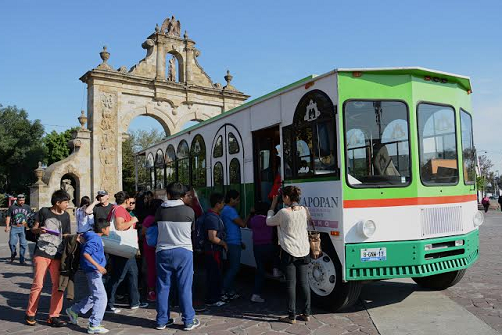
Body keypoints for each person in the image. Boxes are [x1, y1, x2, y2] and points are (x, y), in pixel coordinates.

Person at [154, 182, 200, 331]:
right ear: (182, 196)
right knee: (184, 287)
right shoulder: (189, 211)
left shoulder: (160, 210)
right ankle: (188, 320)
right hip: (184, 251)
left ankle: (162, 320)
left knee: (163, 287)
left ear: (168, 194)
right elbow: (192, 232)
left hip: (163, 251)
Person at [25, 190, 72, 327]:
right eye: (66, 202)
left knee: (58, 286)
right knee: (38, 284)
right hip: (42, 252)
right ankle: (30, 313)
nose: (68, 204)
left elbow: (66, 235)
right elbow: (34, 229)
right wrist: (40, 230)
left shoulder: (66, 216)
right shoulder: (44, 211)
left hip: (58, 254)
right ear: (58, 202)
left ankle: (54, 316)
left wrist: (74, 238)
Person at [266, 186, 311, 324]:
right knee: (304, 283)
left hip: (289, 251)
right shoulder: (305, 210)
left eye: (282, 197)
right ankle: (307, 313)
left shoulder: (283, 212)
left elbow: (268, 221)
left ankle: (291, 316)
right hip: (304, 250)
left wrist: (272, 205)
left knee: (291, 285)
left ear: (286, 197)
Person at [66, 218, 111, 334]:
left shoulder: (90, 234)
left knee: (94, 295)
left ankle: (73, 310)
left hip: (91, 270)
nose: (110, 230)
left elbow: (81, 235)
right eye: (109, 227)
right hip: (93, 271)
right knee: (101, 298)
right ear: (103, 229)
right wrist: (98, 266)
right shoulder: (95, 239)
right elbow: (86, 253)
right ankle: (94, 324)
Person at [105, 191, 147, 313]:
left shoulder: (116, 209)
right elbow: (119, 226)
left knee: (133, 273)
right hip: (121, 247)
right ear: (127, 200)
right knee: (118, 276)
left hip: (125, 247)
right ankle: (108, 303)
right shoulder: (119, 210)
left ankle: (135, 301)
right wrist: (133, 220)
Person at [248, 201, 280, 303]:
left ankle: (256, 294)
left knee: (260, 271)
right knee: (276, 254)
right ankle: (276, 269)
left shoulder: (253, 220)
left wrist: (252, 213)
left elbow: (248, 225)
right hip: (268, 245)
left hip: (257, 247)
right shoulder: (267, 220)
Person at [221, 189, 250, 300]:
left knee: (231, 267)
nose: (238, 202)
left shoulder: (225, 210)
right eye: (237, 199)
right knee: (234, 268)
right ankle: (224, 290)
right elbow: (242, 224)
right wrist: (250, 214)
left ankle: (229, 291)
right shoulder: (230, 210)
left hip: (231, 241)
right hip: (233, 242)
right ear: (231, 199)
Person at [203, 193, 227, 307]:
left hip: (212, 250)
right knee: (214, 274)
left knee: (214, 274)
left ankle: (213, 296)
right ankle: (212, 298)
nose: (223, 205)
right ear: (218, 204)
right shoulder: (212, 217)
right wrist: (224, 244)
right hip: (213, 251)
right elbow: (212, 237)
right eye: (222, 203)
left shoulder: (212, 215)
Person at [141, 199, 163, 302]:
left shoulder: (148, 219)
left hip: (149, 246)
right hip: (160, 245)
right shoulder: (163, 218)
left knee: (151, 269)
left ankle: (151, 291)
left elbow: (143, 232)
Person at [5, 194, 31, 264]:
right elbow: (8, 217)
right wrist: (7, 226)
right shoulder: (12, 207)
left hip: (23, 227)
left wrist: (29, 226)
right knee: (11, 243)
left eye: (23, 200)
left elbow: (30, 217)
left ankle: (22, 259)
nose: (22, 201)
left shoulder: (27, 207)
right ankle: (13, 253)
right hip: (14, 227)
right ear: (17, 200)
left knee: (23, 244)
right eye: (20, 200)